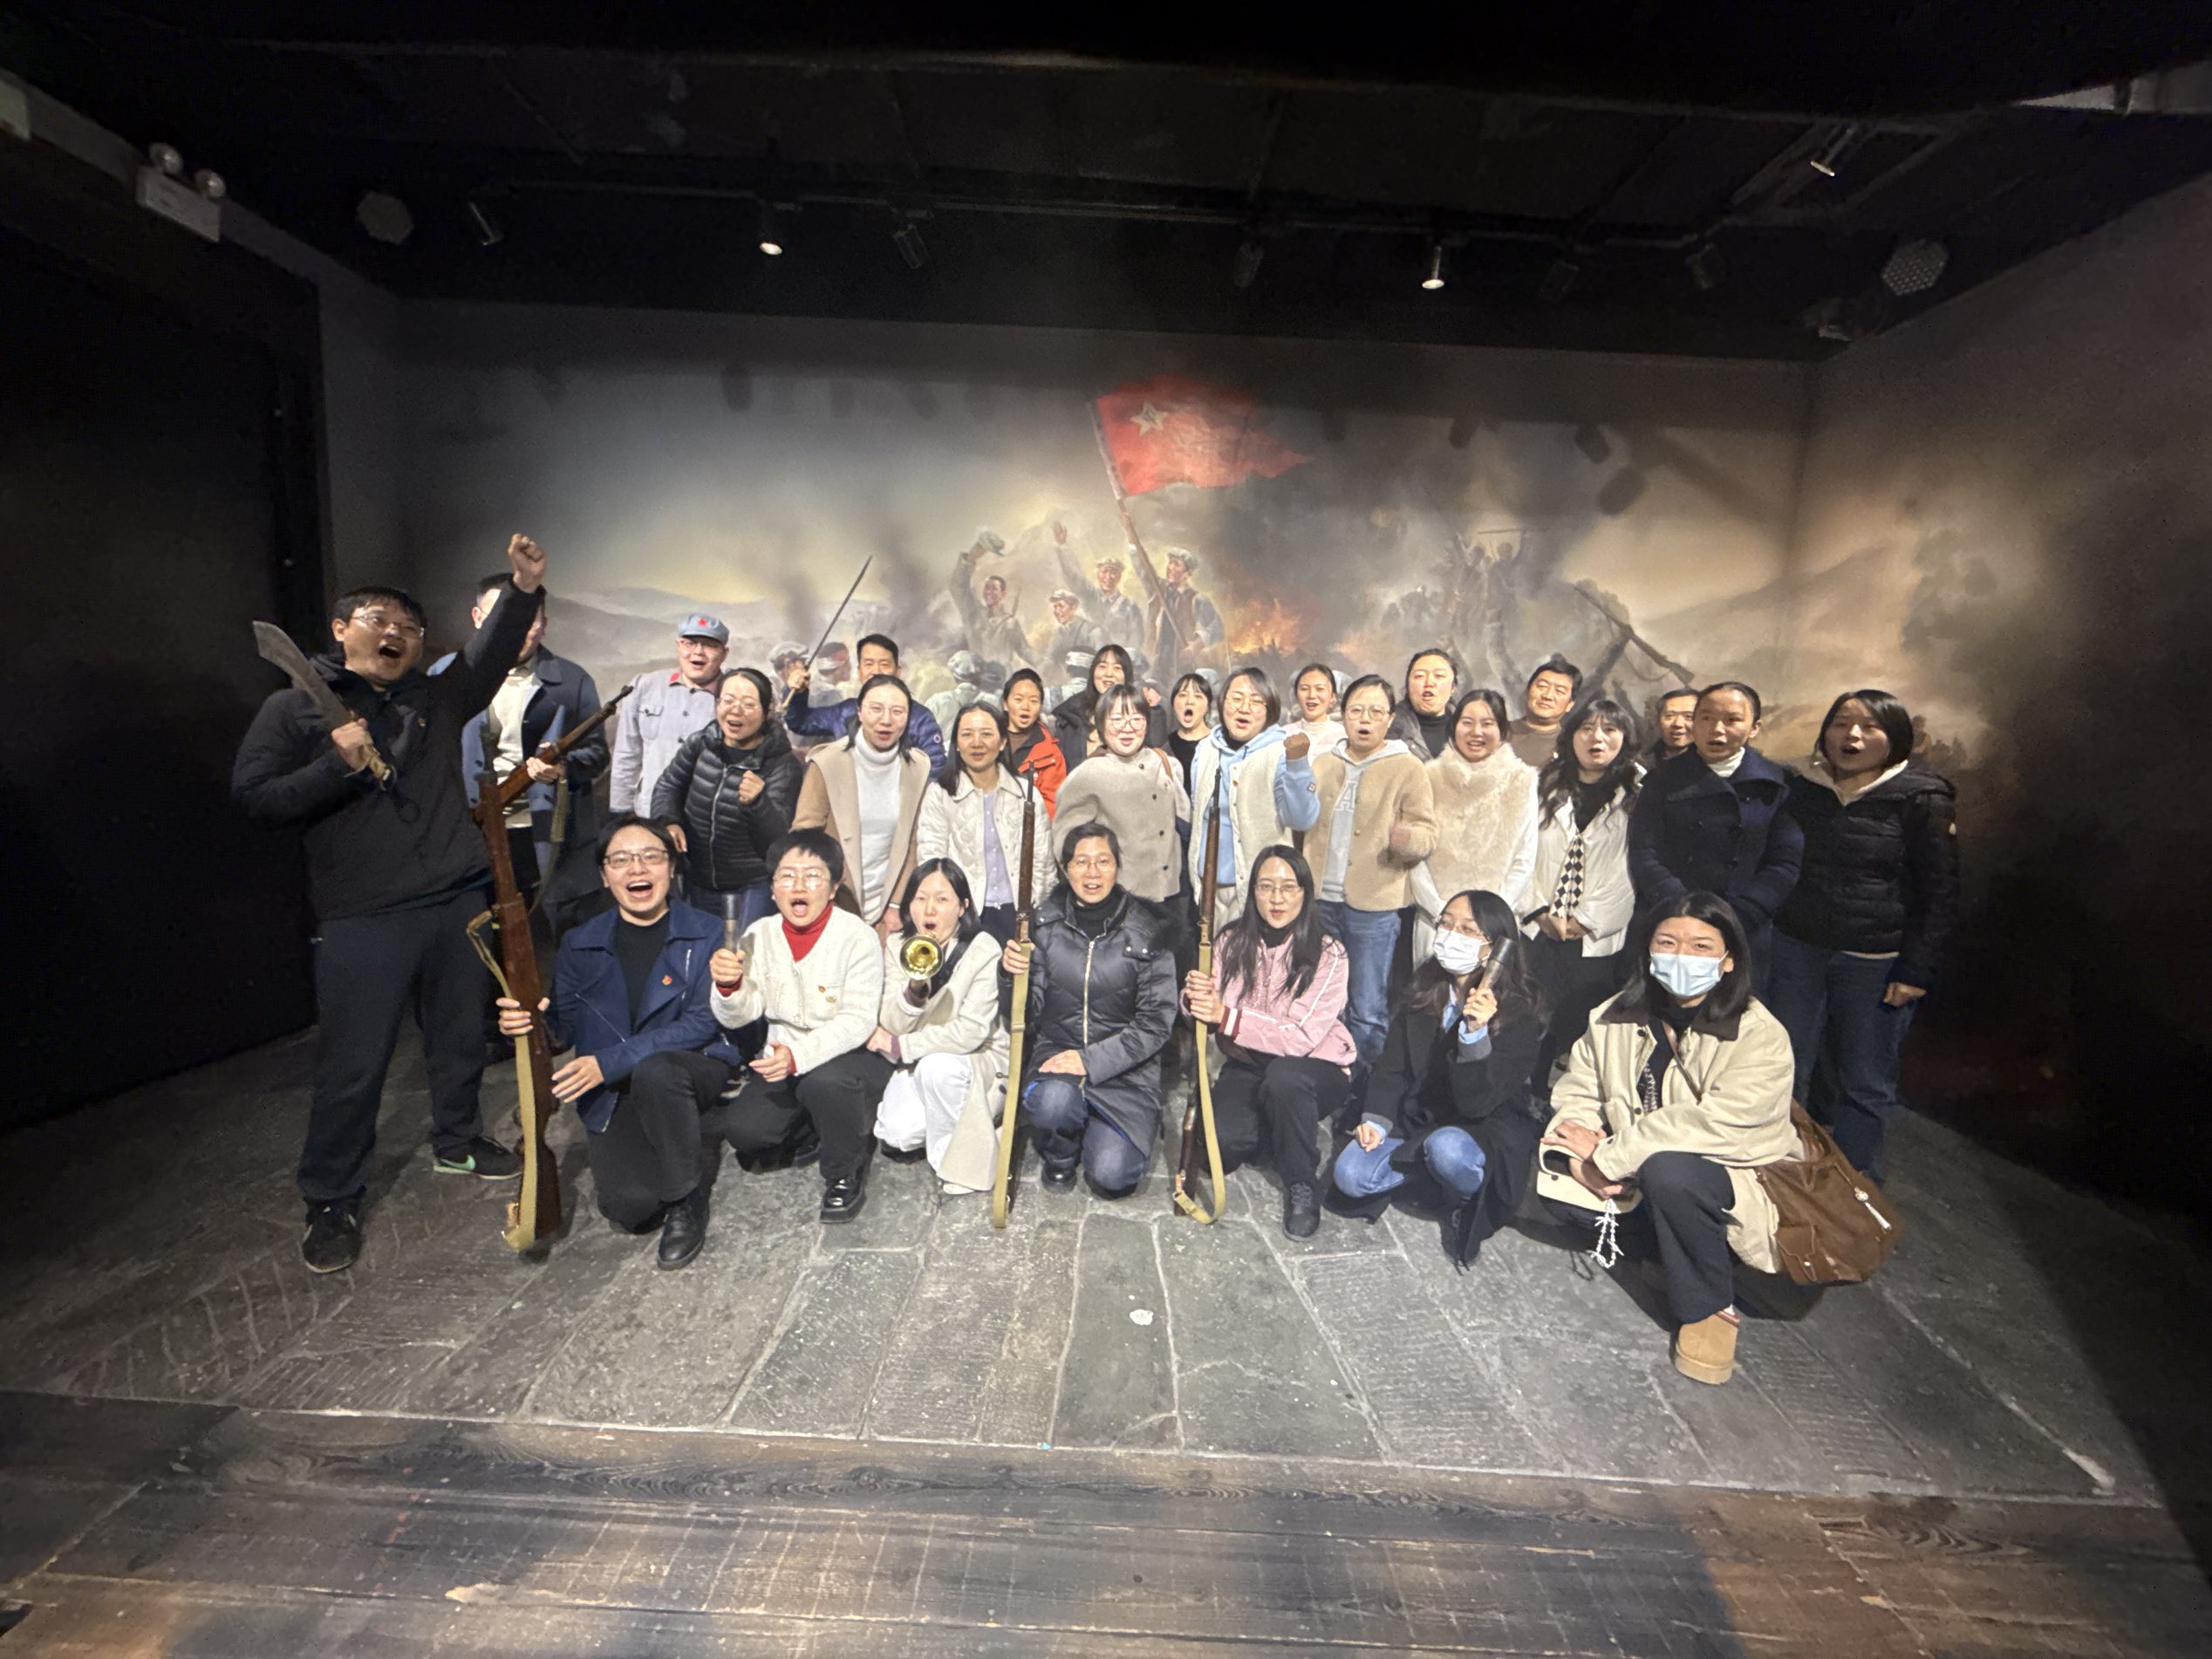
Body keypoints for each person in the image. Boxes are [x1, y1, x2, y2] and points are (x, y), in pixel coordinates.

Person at [232, 534, 545, 1273]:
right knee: (354, 1064)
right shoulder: (294, 708)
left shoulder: (436, 696)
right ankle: (331, 1198)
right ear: (341, 630)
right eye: (378, 620)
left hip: (454, 900)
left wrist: (524, 590)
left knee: (459, 1038)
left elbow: (488, 655)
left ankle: (458, 1140)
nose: (395, 633)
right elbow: (254, 799)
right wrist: (333, 767)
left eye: (409, 626)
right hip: (364, 915)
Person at [1539, 892, 1800, 1387]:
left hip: (1728, 1177)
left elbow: (1716, 1124)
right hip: (1629, 1166)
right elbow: (1579, 1088)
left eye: (1701, 946)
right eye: (1668, 943)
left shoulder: (1760, 1035)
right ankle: (1662, 1246)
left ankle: (1709, 1303)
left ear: (1728, 960)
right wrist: (1577, 1151)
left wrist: (1609, 1157)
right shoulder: (1614, 1014)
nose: (1682, 957)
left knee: (1671, 1170)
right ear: (1648, 951)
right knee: (1551, 1184)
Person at [495, 816, 743, 1268]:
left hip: (689, 1066)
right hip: (615, 1085)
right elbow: (563, 1030)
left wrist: (607, 1063)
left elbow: (701, 1024)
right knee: (631, 1208)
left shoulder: (706, 931)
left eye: (651, 857)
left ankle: (687, 1200)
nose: (637, 869)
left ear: (671, 868)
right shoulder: (580, 943)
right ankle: (666, 1148)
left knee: (657, 1071)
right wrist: (529, 1024)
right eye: (621, 860)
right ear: (604, 876)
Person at [1767, 689, 1959, 1180]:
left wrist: (1916, 969)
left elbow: (1939, 891)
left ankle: (1855, 1189)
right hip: (1798, 948)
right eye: (1841, 723)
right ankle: (1775, 1174)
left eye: (1869, 726)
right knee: (1782, 1067)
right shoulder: (1802, 788)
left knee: (1865, 1081)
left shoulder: (1921, 798)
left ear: (1895, 737)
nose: (1852, 735)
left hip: (1874, 962)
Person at [1333, 888, 1547, 1266]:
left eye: (1467, 930)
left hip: (1477, 1126)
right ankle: (1427, 1177)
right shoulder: (1426, 988)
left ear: (1495, 947)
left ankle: (1463, 1194)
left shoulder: (1520, 1012)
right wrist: (1376, 1119)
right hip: (1419, 1115)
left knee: (1447, 1150)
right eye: (1445, 924)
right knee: (1350, 1176)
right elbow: (1392, 1067)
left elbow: (1477, 1103)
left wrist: (1475, 1035)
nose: (1451, 935)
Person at [708, 830, 891, 1222]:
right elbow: (740, 1014)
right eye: (787, 876)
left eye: (813, 876)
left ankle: (844, 1170)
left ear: (834, 886)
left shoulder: (857, 937)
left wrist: (798, 1056)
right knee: (745, 1133)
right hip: (783, 1060)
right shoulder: (758, 934)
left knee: (824, 1083)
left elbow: (857, 1021)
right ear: (773, 889)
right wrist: (728, 988)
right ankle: (815, 1127)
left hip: (847, 1058)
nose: (799, 886)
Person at [1184, 847, 1355, 1237]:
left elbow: (1300, 1038)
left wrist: (1226, 1016)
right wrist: (1194, 998)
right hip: (1248, 1063)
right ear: (1253, 892)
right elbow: (1207, 1006)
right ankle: (1279, 1130)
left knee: (1284, 1080)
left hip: (1313, 1069)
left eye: (1288, 888)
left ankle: (1301, 1183)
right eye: (1266, 887)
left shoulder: (1330, 953)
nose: (1277, 899)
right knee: (1220, 1149)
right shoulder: (1230, 941)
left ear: (1304, 893)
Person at [1000, 823, 1178, 1196]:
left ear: (1117, 866)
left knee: (1112, 1175)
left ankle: (1108, 1126)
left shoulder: (1149, 931)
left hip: (1126, 1071)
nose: (1092, 872)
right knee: (1053, 1103)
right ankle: (1061, 1151)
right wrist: (1010, 977)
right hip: (1059, 1052)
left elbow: (1155, 1023)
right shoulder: (1044, 925)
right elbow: (1027, 1014)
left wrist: (1090, 1061)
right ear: (1066, 869)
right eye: (1081, 862)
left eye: (1103, 861)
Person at [433, 570, 604, 908]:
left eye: (527, 620)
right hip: (469, 833)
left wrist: (563, 768)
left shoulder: (572, 680)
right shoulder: (446, 674)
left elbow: (597, 753)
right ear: (477, 618)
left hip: (546, 833)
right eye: (500, 618)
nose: (515, 630)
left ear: (544, 625)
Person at [1628, 680, 1802, 989]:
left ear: (1754, 727)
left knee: (1731, 1009)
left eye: (1732, 720)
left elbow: (1784, 863)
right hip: (1669, 921)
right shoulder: (1663, 778)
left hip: (1743, 925)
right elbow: (1644, 851)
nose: (1717, 729)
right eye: (1706, 718)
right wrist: (1682, 911)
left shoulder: (1778, 783)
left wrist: (1738, 916)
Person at [1301, 675, 1437, 1067]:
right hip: (1320, 902)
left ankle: (1362, 1085)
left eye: (1376, 712)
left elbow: (1427, 833)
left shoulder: (1407, 767)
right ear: (1342, 714)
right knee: (1320, 998)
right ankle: (1324, 1075)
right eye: (1356, 710)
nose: (1365, 719)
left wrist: (1405, 838)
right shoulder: (1323, 763)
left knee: (1366, 1006)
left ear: (1390, 718)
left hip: (1374, 907)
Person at [1523, 697, 1644, 1098]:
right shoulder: (1540, 785)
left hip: (1594, 936)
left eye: (1610, 729)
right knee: (1529, 1021)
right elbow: (1520, 853)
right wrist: (1539, 910)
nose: (1597, 738)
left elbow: (1631, 869)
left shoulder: (1638, 794)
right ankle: (1527, 1101)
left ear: (1624, 738)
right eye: (1587, 728)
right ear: (1571, 735)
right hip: (1538, 928)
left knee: (1579, 1029)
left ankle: (1568, 1108)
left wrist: (1586, 919)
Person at [867, 859, 1008, 1194]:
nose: (929, 909)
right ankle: (974, 1122)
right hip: (923, 1060)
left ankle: (955, 1165)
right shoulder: (898, 945)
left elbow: (971, 1032)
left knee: (937, 1069)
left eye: (942, 899)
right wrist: (914, 990)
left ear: (963, 906)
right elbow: (891, 1021)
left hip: (976, 1058)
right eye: (920, 898)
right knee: (895, 1134)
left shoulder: (983, 948)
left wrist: (901, 1046)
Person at [651, 666, 803, 932]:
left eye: (748, 704)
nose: (735, 711)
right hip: (697, 880)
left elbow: (779, 839)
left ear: (767, 711)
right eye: (728, 701)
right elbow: (668, 786)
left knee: (743, 953)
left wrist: (758, 803)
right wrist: (669, 821)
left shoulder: (782, 763)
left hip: (752, 887)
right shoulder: (701, 743)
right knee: (701, 951)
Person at [792, 673, 934, 935]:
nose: (886, 720)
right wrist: (823, 895)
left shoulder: (918, 767)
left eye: (897, 712)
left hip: (888, 910)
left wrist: (896, 905)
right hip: (832, 902)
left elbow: (915, 842)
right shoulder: (828, 761)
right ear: (859, 711)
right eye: (876, 709)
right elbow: (805, 836)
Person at [1188, 667, 1321, 931]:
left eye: (1256, 701)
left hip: (1261, 891)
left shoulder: (1280, 752)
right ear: (1222, 703)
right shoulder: (1205, 749)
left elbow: (1301, 819)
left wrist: (1297, 766)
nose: (1244, 708)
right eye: (1236, 698)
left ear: (1270, 709)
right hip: (1207, 888)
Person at [1411, 687, 1537, 959]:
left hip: (1492, 926)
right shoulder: (1428, 777)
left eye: (1487, 723)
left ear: (1502, 731)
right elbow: (1414, 855)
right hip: (1435, 919)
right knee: (1429, 984)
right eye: (1467, 723)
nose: (1476, 732)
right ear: (1454, 727)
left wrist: (1489, 916)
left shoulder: (1522, 780)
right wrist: (1441, 911)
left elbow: (1524, 858)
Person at [917, 702, 1056, 943]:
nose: (977, 743)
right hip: (964, 915)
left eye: (986, 734)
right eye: (967, 735)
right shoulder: (940, 793)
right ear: (956, 743)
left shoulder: (1026, 793)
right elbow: (931, 859)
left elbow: (1043, 863)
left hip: (1020, 914)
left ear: (1002, 742)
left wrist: (1039, 917)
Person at [1055, 685, 1190, 905]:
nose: (1128, 728)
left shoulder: (1164, 763)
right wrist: (1092, 891)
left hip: (1172, 894)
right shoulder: (1087, 775)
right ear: (1101, 724)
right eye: (1117, 720)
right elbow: (1065, 844)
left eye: (1137, 719)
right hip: (1119, 900)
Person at [610, 612, 727, 814]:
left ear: (724, 654)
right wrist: (621, 811)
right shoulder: (644, 686)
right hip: (649, 811)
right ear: (678, 646)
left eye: (709, 645)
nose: (698, 652)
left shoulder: (733, 696)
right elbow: (627, 753)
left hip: (704, 817)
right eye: (690, 643)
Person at [783, 633, 946, 770]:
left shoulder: (920, 718)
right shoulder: (845, 712)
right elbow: (800, 722)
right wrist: (797, 693)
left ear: (897, 672)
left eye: (884, 664)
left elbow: (935, 766)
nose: (876, 671)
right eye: (869, 664)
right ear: (859, 671)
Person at [1051, 642, 1165, 760]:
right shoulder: (1071, 712)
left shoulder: (1139, 709)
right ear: (1093, 672)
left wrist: (1153, 709)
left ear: (1127, 676)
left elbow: (1154, 746)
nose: (1109, 674)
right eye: (1102, 667)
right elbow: (1060, 762)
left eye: (1117, 668)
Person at [1136, 545, 1223, 687]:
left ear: (1188, 573)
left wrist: (1195, 646)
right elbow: (1143, 570)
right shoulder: (1158, 590)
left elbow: (1217, 628)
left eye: (1177, 564)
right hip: (1155, 666)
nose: (1170, 567)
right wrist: (1133, 545)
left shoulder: (1197, 599)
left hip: (1179, 669)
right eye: (1170, 562)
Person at [1055, 522, 1145, 659]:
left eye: (1113, 572)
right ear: (1098, 574)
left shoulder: (1130, 607)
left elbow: (1136, 639)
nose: (1108, 577)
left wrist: (1123, 663)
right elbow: (1074, 576)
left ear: (1119, 576)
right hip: (1088, 661)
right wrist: (1063, 546)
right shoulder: (1089, 595)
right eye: (1105, 571)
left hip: (1117, 662)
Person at [949, 533, 1035, 672]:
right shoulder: (973, 613)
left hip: (1003, 679)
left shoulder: (1010, 623)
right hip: (977, 677)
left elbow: (1025, 651)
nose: (989, 592)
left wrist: (1048, 666)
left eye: (994, 589)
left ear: (1003, 594)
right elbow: (958, 587)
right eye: (987, 588)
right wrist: (970, 559)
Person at [1000, 667, 1068, 813]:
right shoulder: (987, 742)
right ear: (1005, 704)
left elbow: (1052, 807)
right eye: (1018, 699)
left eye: (1033, 701)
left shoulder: (1051, 754)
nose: (1026, 706)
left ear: (1040, 707)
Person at [1385, 647, 1458, 760]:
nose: (1429, 682)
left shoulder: (1469, 728)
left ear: (1453, 687)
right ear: (1408, 686)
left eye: (1439, 676)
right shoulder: (1387, 727)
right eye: (1419, 676)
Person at [1510, 654, 1581, 768]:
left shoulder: (1573, 749)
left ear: (1570, 704)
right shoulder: (1497, 733)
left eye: (1559, 691)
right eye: (1542, 686)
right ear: (1527, 691)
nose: (1548, 696)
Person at [1166, 671, 1214, 798]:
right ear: (1173, 704)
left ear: (1207, 706)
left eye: (1198, 696)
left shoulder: (1218, 746)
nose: (1189, 701)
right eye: (1182, 695)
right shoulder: (1164, 747)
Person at [1044, 586, 1105, 673]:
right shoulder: (1058, 633)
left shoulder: (1092, 631)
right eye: (1055, 607)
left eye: (1061, 606)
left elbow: (1102, 664)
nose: (1057, 611)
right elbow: (1049, 659)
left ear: (1074, 607)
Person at [1288, 662, 1346, 753]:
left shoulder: (1345, 738)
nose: (1311, 695)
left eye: (1320, 689)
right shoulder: (1282, 736)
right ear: (1296, 695)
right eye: (1304, 689)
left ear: (1332, 697)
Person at [1648, 686, 1699, 768]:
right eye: (1670, 716)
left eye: (1689, 716)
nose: (1678, 724)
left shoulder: (1711, 766)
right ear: (1657, 719)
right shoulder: (1644, 759)